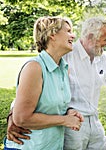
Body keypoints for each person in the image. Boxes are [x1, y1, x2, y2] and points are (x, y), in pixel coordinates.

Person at [6, 17, 106, 150]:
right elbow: (27, 90)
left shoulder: (95, 58)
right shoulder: (64, 55)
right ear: (91, 37)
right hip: (70, 125)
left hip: (92, 119)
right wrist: (13, 114)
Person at [4, 16, 84, 150]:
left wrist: (69, 112)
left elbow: (51, 104)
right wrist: (64, 120)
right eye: (68, 31)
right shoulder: (34, 67)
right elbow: (22, 118)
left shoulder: (64, 69)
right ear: (52, 34)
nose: (73, 35)